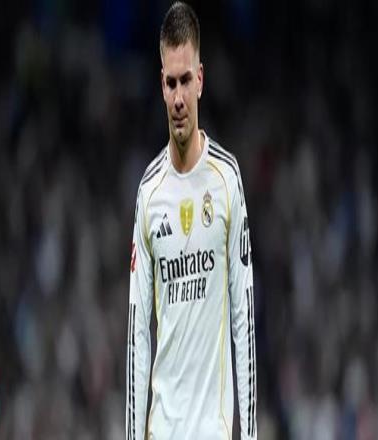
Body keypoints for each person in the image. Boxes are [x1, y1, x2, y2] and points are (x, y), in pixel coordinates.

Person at [126, 2, 256, 439]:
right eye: (170, 83)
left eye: (185, 80)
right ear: (160, 85)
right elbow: (137, 331)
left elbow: (243, 315)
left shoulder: (226, 179)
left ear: (200, 79)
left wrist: (250, 434)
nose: (178, 97)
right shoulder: (149, 193)